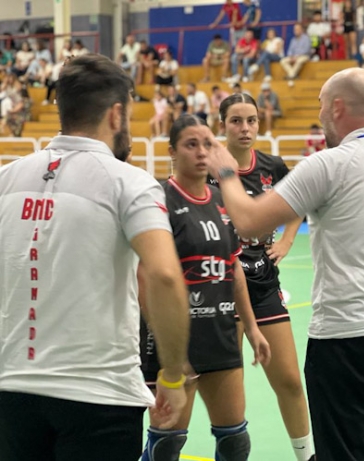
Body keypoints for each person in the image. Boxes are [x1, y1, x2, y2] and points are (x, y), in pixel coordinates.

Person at [202, 68, 364, 461]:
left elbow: (251, 221)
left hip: (347, 340)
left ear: (338, 107)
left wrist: (224, 172)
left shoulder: (329, 164)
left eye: (323, 106)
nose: (321, 114)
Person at [0, 54, 190, 461]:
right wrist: (172, 375)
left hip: (11, 393)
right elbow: (164, 276)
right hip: (99, 396)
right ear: (117, 114)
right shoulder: (130, 183)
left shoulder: (7, 178)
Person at [140, 114, 271, 461]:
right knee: (166, 444)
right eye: (191, 144)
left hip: (221, 333)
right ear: (172, 151)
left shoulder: (221, 198)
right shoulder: (159, 199)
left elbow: (234, 269)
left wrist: (254, 328)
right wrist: (171, 353)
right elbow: (146, 278)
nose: (202, 152)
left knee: (235, 441)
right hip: (175, 339)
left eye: (208, 144)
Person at [207, 93, 315, 461]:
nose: (245, 128)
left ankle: (306, 456)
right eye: (236, 120)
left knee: (289, 381)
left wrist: (286, 239)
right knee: (230, 395)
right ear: (221, 124)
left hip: (265, 287)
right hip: (220, 292)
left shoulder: (272, 166)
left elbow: (299, 200)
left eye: (251, 120)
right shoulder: (207, 169)